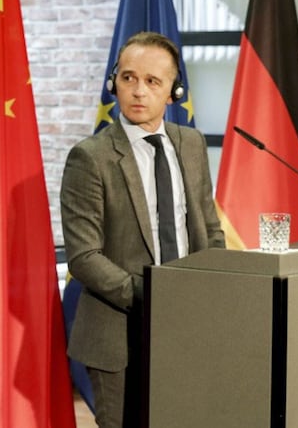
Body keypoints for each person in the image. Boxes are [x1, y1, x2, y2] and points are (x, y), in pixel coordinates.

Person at [60, 31, 225, 427]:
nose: (138, 91)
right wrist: (156, 295)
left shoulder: (191, 144)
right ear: (113, 81)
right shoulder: (90, 157)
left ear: (173, 92)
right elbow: (84, 257)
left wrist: (218, 285)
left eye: (153, 81)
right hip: (120, 331)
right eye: (129, 77)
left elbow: (208, 228)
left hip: (190, 324)